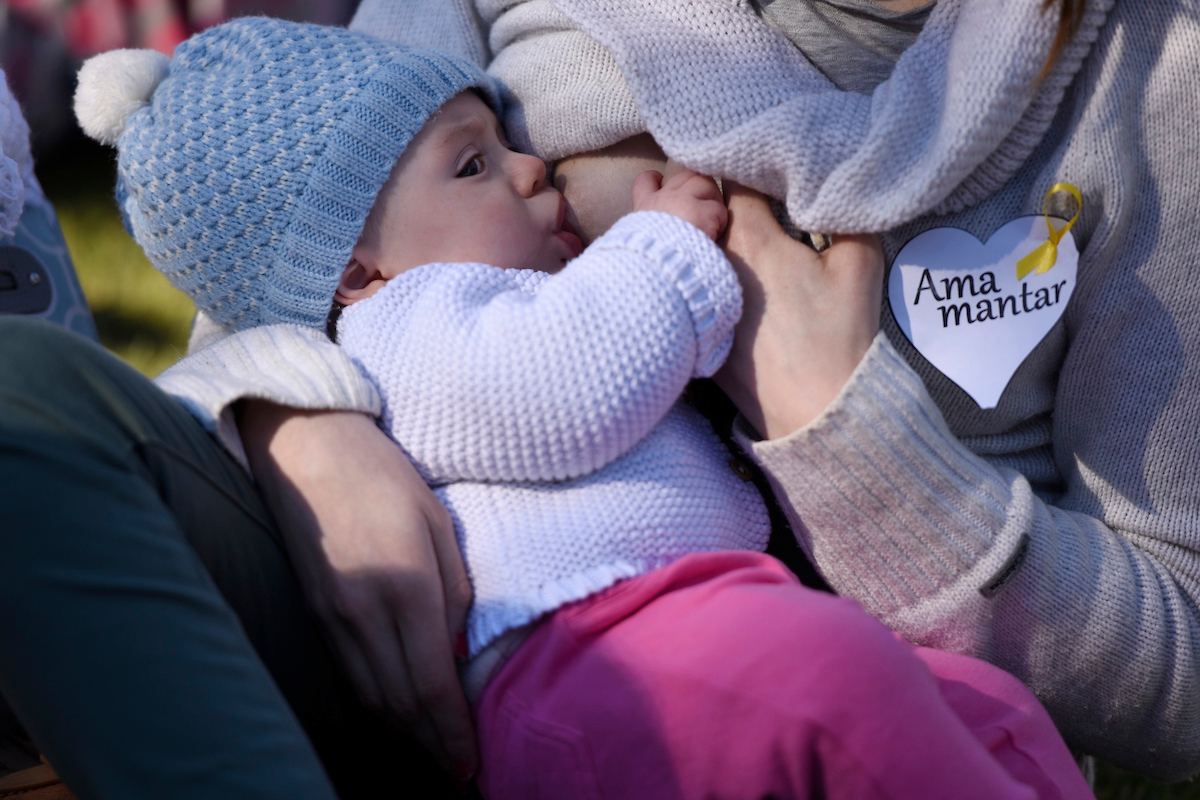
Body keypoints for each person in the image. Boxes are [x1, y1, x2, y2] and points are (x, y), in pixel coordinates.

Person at [78, 22, 1093, 797]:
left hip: (694, 620)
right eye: (472, 163)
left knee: (990, 702)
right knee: (840, 682)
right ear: (355, 268)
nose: (530, 166)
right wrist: (666, 252)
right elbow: (561, 391)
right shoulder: (406, 327)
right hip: (577, 662)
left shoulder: (466, 289)